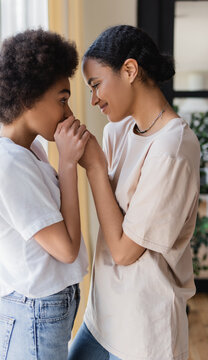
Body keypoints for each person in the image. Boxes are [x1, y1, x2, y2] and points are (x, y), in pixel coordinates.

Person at [68, 25, 200, 360]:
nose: (94, 99)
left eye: (96, 84)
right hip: (102, 316)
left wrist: (96, 168)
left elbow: (126, 252)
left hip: (146, 329)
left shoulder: (173, 148)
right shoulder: (118, 131)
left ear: (129, 70)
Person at [0, 29, 90, 360]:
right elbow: (66, 249)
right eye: (62, 99)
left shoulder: (33, 151)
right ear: (27, 98)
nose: (69, 114)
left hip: (43, 309)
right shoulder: (8, 163)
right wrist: (69, 163)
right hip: (32, 313)